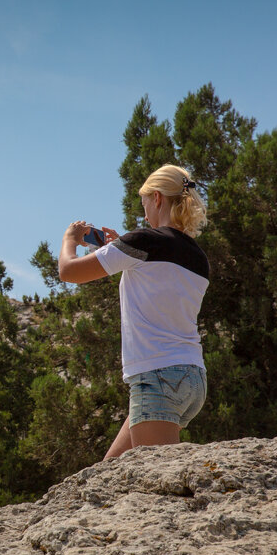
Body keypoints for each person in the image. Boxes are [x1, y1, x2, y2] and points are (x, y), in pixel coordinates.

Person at [57, 164, 210, 459]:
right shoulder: (198, 257)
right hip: (192, 378)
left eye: (145, 205)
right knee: (108, 472)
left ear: (157, 198)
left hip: (158, 376)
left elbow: (69, 272)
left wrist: (70, 240)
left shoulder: (142, 241)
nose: (145, 215)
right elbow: (159, 283)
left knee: (161, 484)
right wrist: (120, 247)